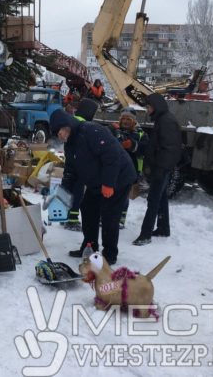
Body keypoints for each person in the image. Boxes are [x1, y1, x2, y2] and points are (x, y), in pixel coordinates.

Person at [50, 108, 136, 265]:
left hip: (119, 177)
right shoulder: (70, 144)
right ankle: (89, 246)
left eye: (59, 131)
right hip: (97, 181)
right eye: (57, 133)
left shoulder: (91, 131)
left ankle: (109, 254)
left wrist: (108, 184)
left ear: (66, 124)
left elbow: (112, 156)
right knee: (88, 208)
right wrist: (62, 196)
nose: (59, 135)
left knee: (109, 215)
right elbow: (70, 172)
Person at [133, 93, 182, 246]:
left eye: (148, 107)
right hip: (161, 166)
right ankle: (163, 228)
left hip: (162, 167)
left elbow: (170, 148)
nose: (147, 110)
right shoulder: (162, 119)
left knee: (153, 199)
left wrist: (160, 168)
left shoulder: (166, 121)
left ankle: (145, 234)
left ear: (156, 107)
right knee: (161, 198)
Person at [61, 98, 98, 231]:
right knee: (77, 191)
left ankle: (63, 216)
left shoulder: (71, 121)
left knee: (66, 188)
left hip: (70, 161)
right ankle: (72, 219)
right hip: (80, 164)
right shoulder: (85, 125)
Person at [109, 108, 149, 229]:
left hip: (131, 170)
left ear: (134, 121)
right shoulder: (114, 130)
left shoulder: (141, 134)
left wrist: (133, 145)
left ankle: (120, 219)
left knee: (123, 195)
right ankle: (106, 216)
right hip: (113, 168)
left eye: (128, 119)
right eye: (123, 118)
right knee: (109, 193)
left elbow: (146, 149)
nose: (125, 121)